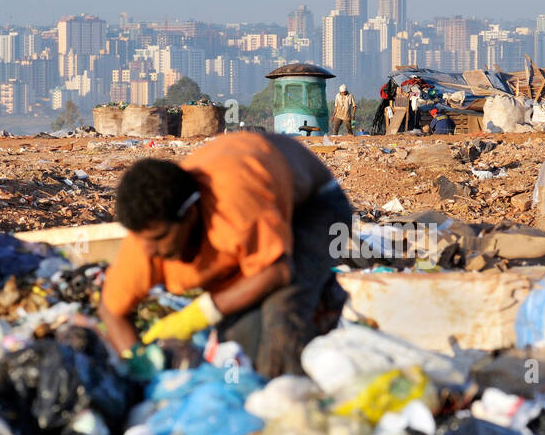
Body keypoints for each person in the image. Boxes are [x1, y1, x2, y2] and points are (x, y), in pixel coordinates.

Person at [97, 132, 353, 377]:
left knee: (282, 318)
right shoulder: (147, 238)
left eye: (159, 239)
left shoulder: (233, 209)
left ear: (190, 215)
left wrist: (197, 314)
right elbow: (112, 311)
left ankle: (285, 401)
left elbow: (278, 272)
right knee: (241, 341)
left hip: (314, 206)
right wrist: (140, 360)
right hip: (254, 221)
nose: (150, 251)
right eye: (142, 240)